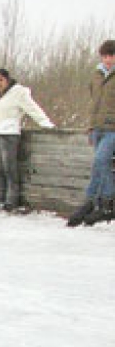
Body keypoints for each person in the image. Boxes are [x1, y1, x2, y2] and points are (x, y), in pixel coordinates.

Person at [0, 68, 55, 213]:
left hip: (9, 134)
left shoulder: (18, 93)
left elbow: (32, 109)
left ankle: (11, 200)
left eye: (1, 80)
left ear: (7, 80)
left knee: (9, 168)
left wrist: (45, 122)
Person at [68, 39, 115, 227]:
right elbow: (93, 103)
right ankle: (97, 203)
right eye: (105, 56)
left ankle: (101, 200)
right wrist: (90, 126)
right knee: (100, 167)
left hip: (113, 129)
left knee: (100, 161)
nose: (108, 60)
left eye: (111, 56)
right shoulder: (96, 76)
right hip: (97, 128)